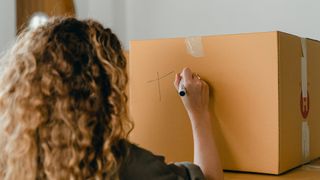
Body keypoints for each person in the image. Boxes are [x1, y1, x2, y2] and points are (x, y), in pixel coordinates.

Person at [0, 17, 223, 180]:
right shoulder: (119, 163)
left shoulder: (10, 156)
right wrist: (199, 113)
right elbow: (209, 178)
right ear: (103, 92)